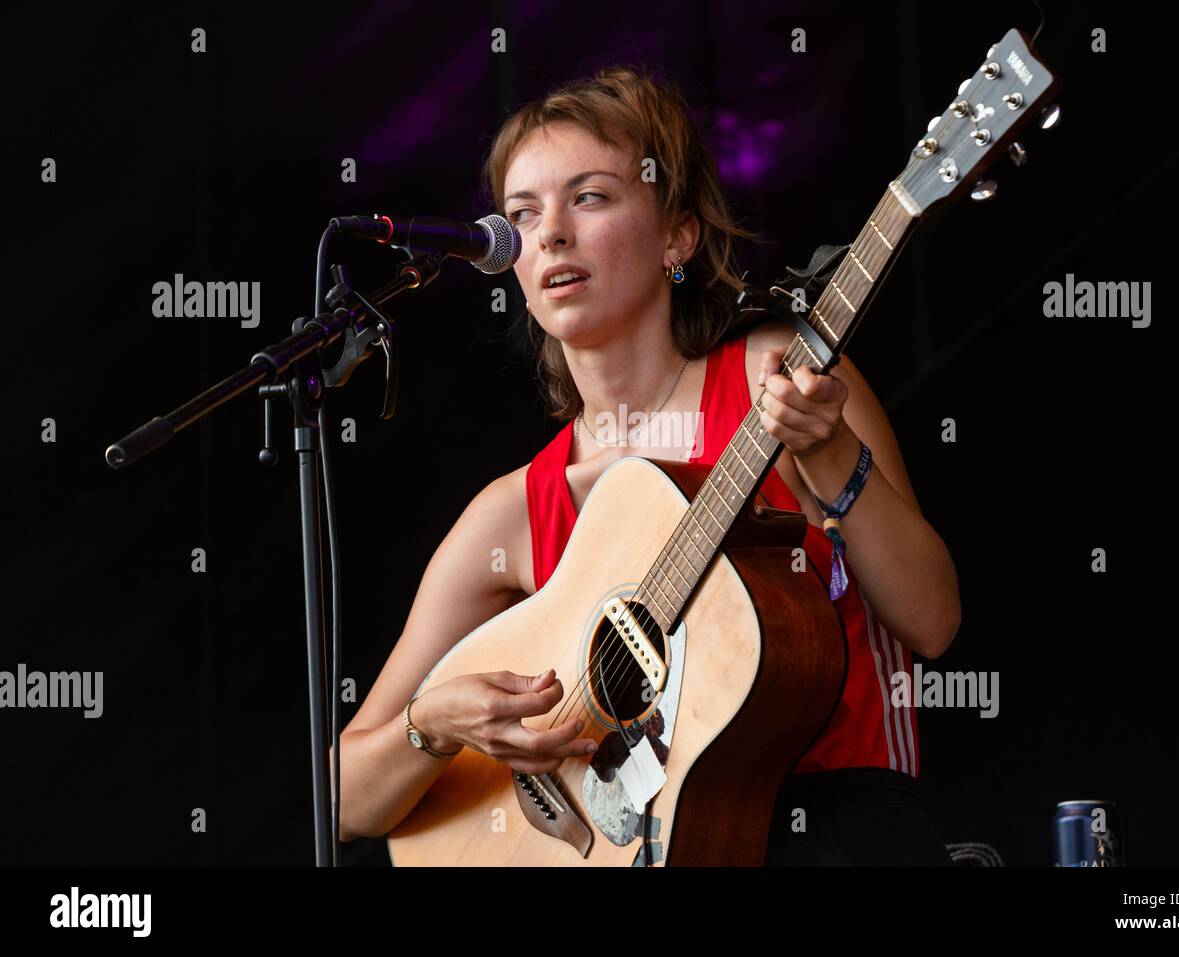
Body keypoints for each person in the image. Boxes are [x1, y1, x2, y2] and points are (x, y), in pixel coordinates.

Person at [335, 64, 961, 866]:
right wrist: (434, 726)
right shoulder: (516, 510)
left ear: (678, 234)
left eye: (589, 197)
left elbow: (933, 619)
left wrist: (834, 457)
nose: (551, 232)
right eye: (522, 214)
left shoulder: (778, 375)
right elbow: (343, 795)